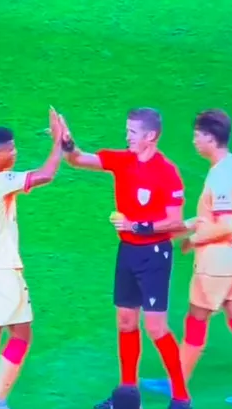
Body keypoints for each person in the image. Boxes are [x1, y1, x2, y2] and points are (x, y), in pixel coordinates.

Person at [57, 107, 192, 409]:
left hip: (155, 254)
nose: (127, 136)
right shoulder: (123, 160)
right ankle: (128, 397)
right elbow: (77, 159)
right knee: (126, 321)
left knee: (155, 327)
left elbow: (176, 221)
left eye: (132, 132)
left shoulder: (166, 172)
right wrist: (67, 142)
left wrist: (137, 226)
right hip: (128, 252)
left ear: (150, 136)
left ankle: (181, 398)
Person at [141, 109, 232, 405]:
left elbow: (224, 225)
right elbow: (212, 218)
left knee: (196, 320)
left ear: (211, 138)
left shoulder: (221, 175)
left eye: (198, 135)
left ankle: (177, 382)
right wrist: (183, 226)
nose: (194, 141)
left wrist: (192, 240)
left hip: (217, 265)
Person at [0, 108, 64, 409]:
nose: (15, 153)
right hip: (1, 268)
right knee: (21, 335)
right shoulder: (2, 181)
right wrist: (59, 140)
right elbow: (46, 174)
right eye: (11, 149)